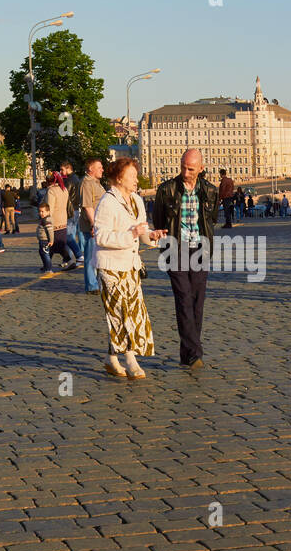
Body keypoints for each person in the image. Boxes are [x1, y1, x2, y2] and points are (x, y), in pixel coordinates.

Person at [94, 157, 162, 380]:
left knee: (133, 312)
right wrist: (130, 234)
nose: (136, 180)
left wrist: (151, 235)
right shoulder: (107, 202)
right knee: (120, 313)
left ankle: (111, 357)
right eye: (132, 176)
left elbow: (141, 231)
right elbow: (101, 236)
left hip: (131, 265)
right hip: (110, 267)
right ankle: (130, 359)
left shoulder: (136, 201)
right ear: (119, 178)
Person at [153, 148, 219, 370]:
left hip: (200, 249)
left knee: (197, 301)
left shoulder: (210, 191)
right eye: (182, 166)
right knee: (183, 298)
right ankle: (195, 352)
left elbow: (212, 219)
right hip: (175, 248)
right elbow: (159, 220)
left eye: (190, 168)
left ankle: (186, 354)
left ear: (201, 168)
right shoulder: (167, 189)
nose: (185, 172)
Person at [78, 157, 105, 294]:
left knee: (97, 256)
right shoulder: (87, 183)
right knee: (91, 256)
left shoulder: (96, 183)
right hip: (92, 227)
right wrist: (94, 225)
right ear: (91, 169)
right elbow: (88, 206)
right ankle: (92, 285)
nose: (102, 169)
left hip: (100, 225)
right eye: (99, 167)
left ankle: (97, 282)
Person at [45, 174, 76, 270]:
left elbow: (49, 207)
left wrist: (46, 219)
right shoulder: (64, 189)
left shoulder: (51, 191)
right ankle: (47, 263)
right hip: (63, 219)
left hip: (54, 221)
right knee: (56, 243)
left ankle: (67, 260)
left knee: (53, 243)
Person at [60, 161, 82, 260]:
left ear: (68, 168)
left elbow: (65, 194)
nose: (61, 172)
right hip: (75, 209)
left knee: (68, 236)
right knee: (71, 234)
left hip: (69, 210)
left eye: (62, 169)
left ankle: (69, 258)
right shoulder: (76, 178)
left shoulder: (69, 180)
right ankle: (73, 257)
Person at [36, 202, 54, 272]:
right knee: (42, 253)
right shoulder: (43, 219)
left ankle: (49, 268)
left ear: (48, 212)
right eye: (40, 211)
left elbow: (50, 231)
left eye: (43, 211)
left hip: (45, 240)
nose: (41, 213)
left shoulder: (46, 220)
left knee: (45, 254)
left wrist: (51, 240)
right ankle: (45, 266)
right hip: (41, 240)